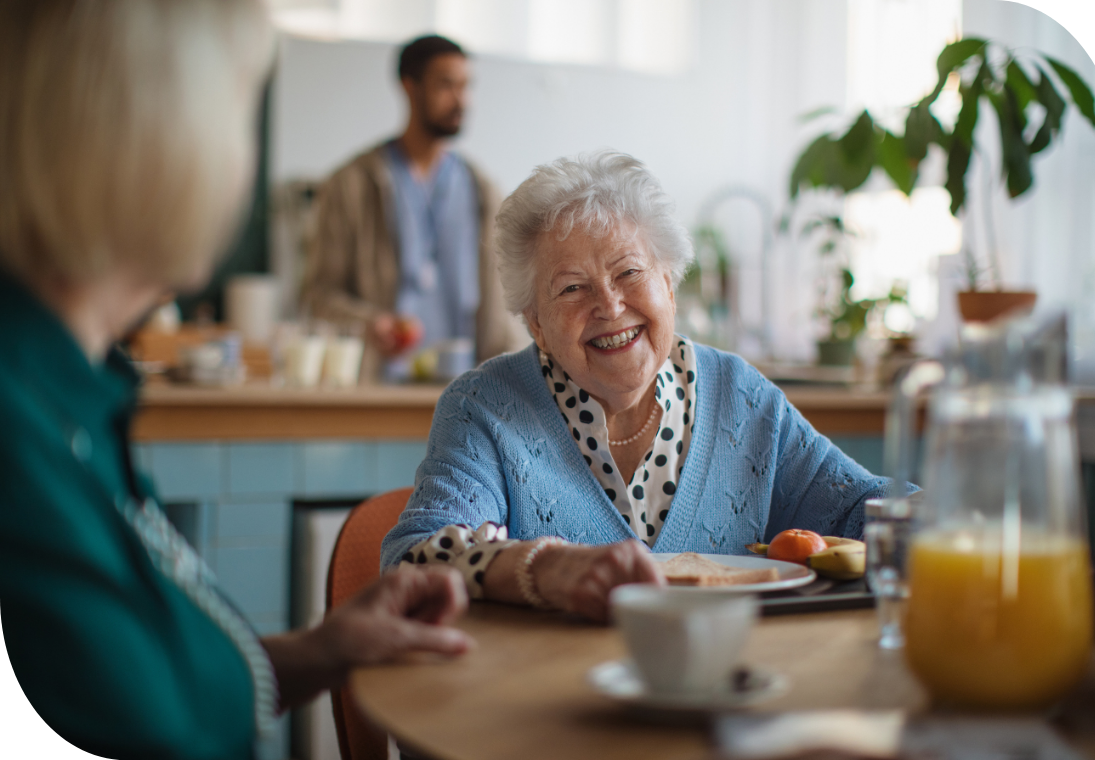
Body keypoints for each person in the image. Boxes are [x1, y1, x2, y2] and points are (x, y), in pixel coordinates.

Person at [0, 3, 472, 758]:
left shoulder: (83, 391)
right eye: (237, 114)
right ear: (156, 143)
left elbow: (151, 684)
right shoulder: (24, 432)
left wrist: (324, 648)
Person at [381, 151, 917, 622]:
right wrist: (541, 568)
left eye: (629, 273)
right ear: (536, 324)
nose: (610, 306)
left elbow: (864, 510)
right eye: (571, 288)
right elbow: (413, 560)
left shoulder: (742, 398)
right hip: (542, 711)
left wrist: (965, 517)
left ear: (669, 282)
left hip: (714, 701)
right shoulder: (484, 408)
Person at [301, 34, 520, 381]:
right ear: (409, 86)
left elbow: (502, 309)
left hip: (466, 390)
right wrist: (369, 324)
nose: (461, 99)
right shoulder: (352, 185)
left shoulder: (483, 191)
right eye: (446, 85)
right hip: (381, 388)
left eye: (466, 86)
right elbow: (317, 296)